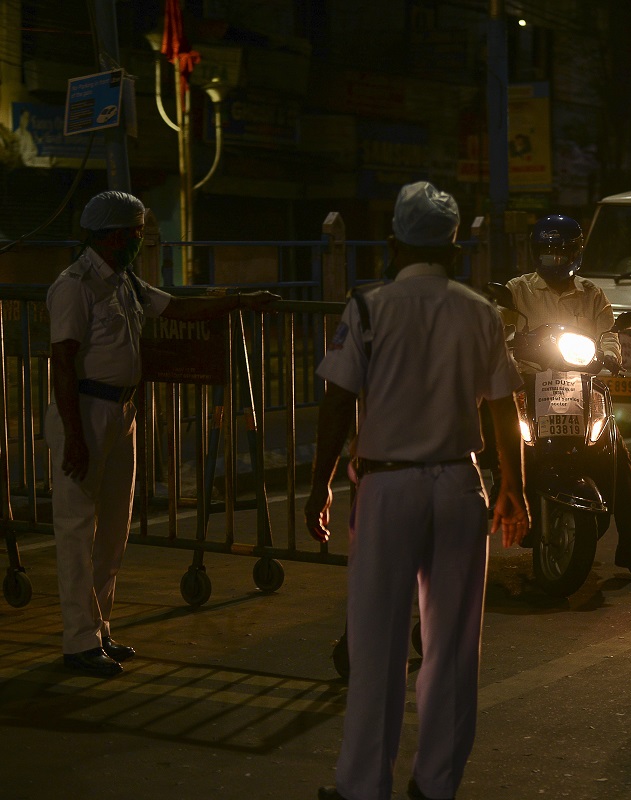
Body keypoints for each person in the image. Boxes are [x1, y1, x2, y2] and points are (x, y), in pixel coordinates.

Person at [306, 181, 528, 800]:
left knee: (376, 642)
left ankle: (362, 786)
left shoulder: (369, 307)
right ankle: (435, 785)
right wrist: (513, 485)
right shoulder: (480, 310)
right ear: (454, 248)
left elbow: (337, 402)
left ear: (393, 244)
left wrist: (320, 484)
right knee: (453, 647)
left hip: (387, 487)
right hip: (460, 484)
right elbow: (503, 406)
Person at [46, 190, 277, 678]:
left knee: (113, 528)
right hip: (85, 411)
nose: (139, 240)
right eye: (134, 233)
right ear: (111, 235)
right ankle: (78, 640)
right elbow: (62, 363)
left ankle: (99, 629)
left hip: (120, 411)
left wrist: (240, 301)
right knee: (76, 529)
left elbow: (178, 310)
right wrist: (74, 434)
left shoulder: (125, 281)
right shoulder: (75, 286)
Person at [504, 214, 631, 575]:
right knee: (497, 435)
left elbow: (609, 334)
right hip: (529, 383)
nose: (554, 258)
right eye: (547, 251)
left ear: (576, 252)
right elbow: (500, 326)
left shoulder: (592, 294)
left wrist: (611, 355)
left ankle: (628, 540)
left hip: (580, 385)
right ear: (535, 252)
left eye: (561, 251)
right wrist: (509, 341)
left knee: (615, 447)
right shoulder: (517, 290)